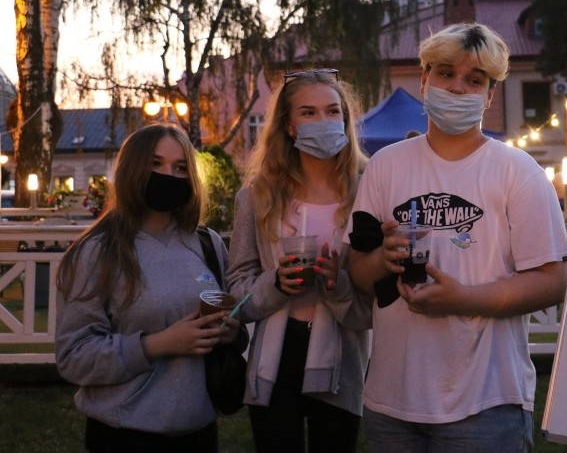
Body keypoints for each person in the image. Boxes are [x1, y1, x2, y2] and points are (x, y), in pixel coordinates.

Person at [345, 22, 567, 452]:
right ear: (425, 78)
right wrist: (381, 260)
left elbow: (554, 279)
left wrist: (461, 299)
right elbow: (358, 272)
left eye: (474, 80)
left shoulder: (517, 171)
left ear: (489, 96)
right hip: (391, 403)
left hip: (486, 404)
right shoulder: (384, 166)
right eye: (446, 73)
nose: (456, 88)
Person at [55, 124, 240, 453]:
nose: (168, 174)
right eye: (155, 164)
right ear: (132, 169)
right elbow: (74, 357)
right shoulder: (98, 251)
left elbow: (229, 318)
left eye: (180, 167)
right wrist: (157, 345)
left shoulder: (208, 244)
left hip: (199, 434)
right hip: (123, 435)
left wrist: (229, 332)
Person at [227, 68, 372, 453]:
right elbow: (236, 292)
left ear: (345, 118)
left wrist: (336, 284)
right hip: (276, 357)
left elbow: (376, 299)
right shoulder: (257, 197)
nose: (322, 121)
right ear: (289, 126)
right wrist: (276, 284)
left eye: (332, 111)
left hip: (343, 352)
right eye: (307, 113)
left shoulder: (370, 190)